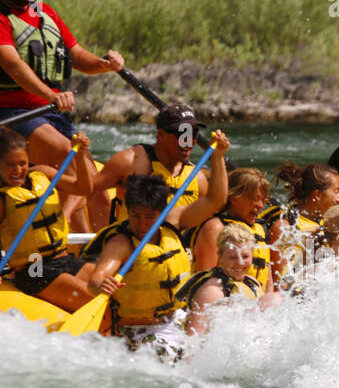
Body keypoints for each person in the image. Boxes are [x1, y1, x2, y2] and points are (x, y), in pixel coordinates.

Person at [0, 0, 124, 227]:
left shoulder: (46, 13)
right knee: (68, 156)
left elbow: (77, 55)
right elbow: (15, 67)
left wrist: (103, 64)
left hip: (48, 113)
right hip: (8, 114)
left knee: (97, 186)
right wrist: (51, 94)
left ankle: (97, 255)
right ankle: (56, 240)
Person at [84, 132, 231, 355]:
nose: (142, 224)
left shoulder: (174, 221)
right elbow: (96, 278)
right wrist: (100, 284)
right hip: (142, 332)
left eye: (149, 217)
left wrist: (218, 157)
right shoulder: (122, 242)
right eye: (135, 215)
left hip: (178, 319)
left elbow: (215, 200)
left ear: (162, 212)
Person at [0, 126, 96, 310]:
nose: (17, 170)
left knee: (114, 289)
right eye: (10, 165)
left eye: (22, 163)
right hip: (33, 270)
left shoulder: (42, 173)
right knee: (95, 302)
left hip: (62, 259)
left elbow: (83, 189)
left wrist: (81, 154)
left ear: (29, 160)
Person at [91, 102, 210, 227]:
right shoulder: (130, 162)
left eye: (193, 133)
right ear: (161, 135)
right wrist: (100, 232)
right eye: (182, 134)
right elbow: (87, 191)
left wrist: (217, 158)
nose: (188, 141)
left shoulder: (199, 179)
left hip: (173, 245)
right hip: (131, 244)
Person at [181, 224, 283, 335]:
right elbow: (193, 340)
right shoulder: (212, 291)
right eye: (232, 257)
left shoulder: (251, 282)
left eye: (245, 256)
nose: (240, 263)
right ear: (220, 255)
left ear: (252, 255)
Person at [259, 162, 339, 281]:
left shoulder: (323, 223)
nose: (338, 199)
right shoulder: (286, 226)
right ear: (317, 195)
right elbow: (278, 281)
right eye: (336, 192)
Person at [191, 167, 272, 291]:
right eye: (254, 199)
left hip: (255, 302)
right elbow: (204, 281)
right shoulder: (215, 228)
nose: (260, 206)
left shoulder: (261, 229)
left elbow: (268, 280)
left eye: (263, 200)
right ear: (234, 197)